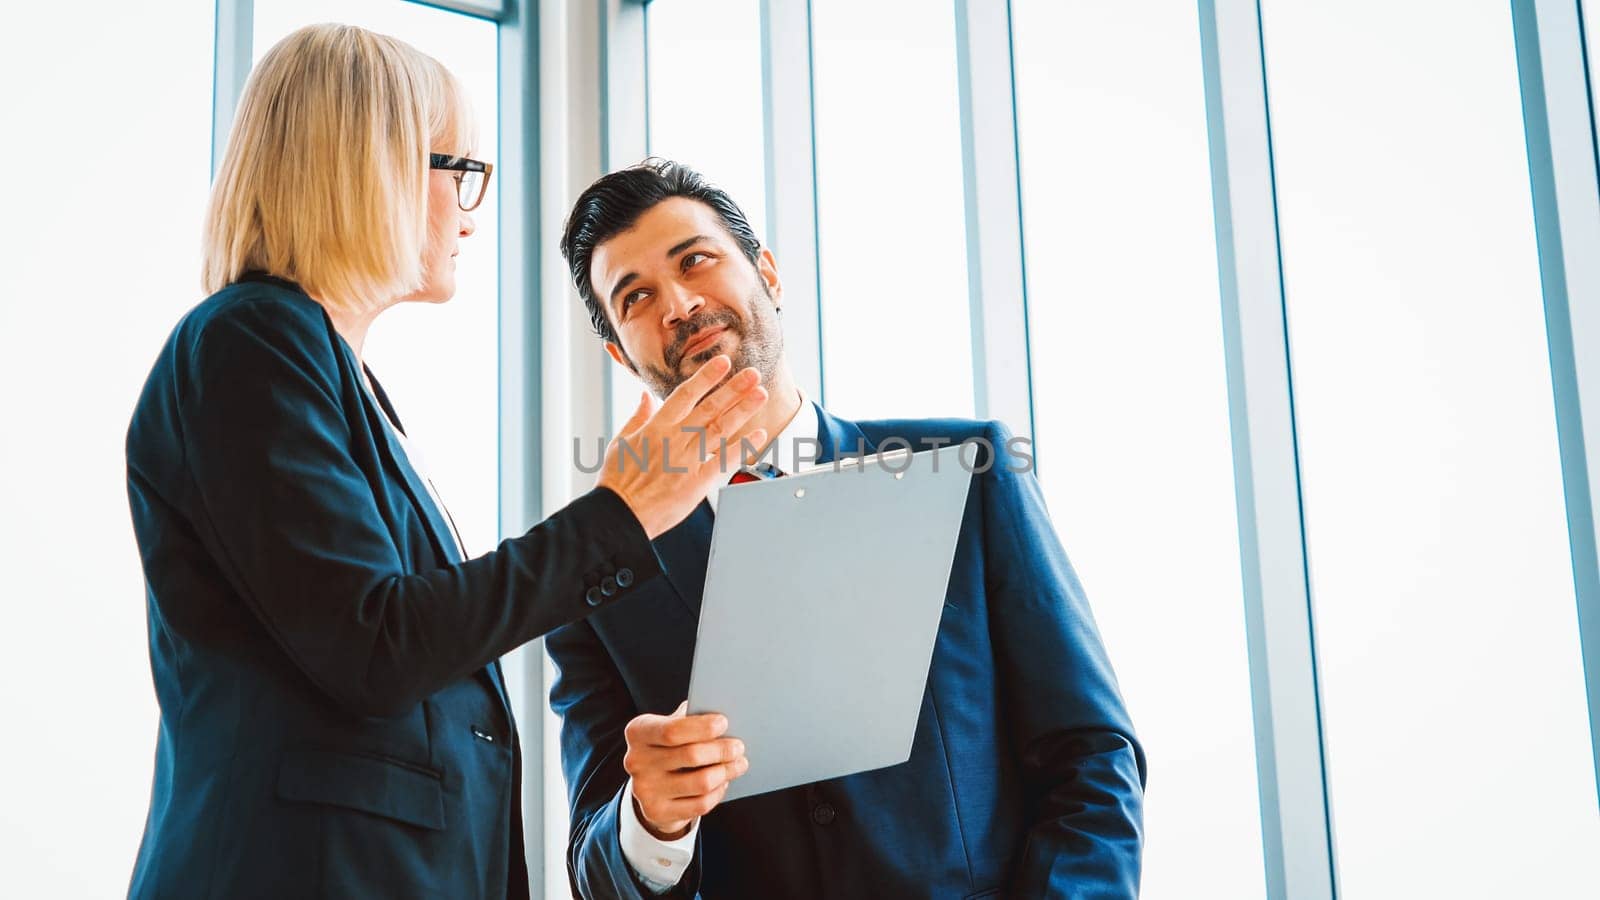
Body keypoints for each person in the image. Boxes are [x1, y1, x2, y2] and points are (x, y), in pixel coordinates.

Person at [124, 29, 767, 900]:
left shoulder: (330, 375)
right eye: (457, 169)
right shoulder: (251, 340)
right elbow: (377, 643)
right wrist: (621, 514)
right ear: (371, 167)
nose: (471, 209)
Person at [548, 158, 1146, 899]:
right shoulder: (595, 577)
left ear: (767, 273)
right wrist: (651, 823)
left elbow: (1089, 756)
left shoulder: (967, 474)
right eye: (635, 297)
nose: (676, 304)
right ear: (619, 352)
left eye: (695, 260)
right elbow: (595, 871)